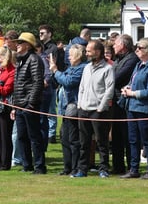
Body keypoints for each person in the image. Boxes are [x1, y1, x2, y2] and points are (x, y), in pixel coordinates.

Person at [72, 40, 114, 178]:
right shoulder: (86, 68)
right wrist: (80, 105)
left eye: (89, 50)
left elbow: (109, 90)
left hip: (98, 110)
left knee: (102, 142)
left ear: (98, 52)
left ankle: (103, 169)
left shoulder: (107, 69)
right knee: (84, 142)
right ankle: (82, 169)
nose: (87, 53)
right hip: (84, 109)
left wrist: (101, 107)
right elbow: (82, 87)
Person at [120, 37, 148, 180]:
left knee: (147, 140)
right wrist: (127, 89)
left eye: (140, 47)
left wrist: (133, 93)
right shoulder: (138, 65)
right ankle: (134, 169)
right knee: (133, 140)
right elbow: (134, 82)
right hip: (131, 107)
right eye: (136, 47)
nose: (137, 49)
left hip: (144, 109)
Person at [12, 32, 47, 174]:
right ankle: (27, 165)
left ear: (27, 45)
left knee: (34, 136)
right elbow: (17, 84)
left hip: (29, 104)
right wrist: (15, 105)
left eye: (20, 43)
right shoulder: (21, 60)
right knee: (22, 136)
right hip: (20, 104)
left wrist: (31, 103)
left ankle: (39, 166)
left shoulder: (34, 59)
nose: (17, 45)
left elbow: (37, 82)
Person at [50, 44, 86, 176]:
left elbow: (68, 81)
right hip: (65, 108)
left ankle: (75, 167)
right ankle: (67, 167)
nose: (68, 57)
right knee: (64, 138)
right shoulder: (71, 68)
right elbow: (60, 79)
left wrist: (55, 70)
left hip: (74, 107)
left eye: (70, 55)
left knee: (73, 139)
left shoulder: (82, 69)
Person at [110, 34, 139, 174]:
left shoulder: (132, 59)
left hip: (125, 102)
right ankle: (117, 166)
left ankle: (131, 167)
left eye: (116, 43)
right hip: (115, 101)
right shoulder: (118, 59)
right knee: (116, 136)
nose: (113, 46)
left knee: (127, 136)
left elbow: (117, 78)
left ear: (123, 46)